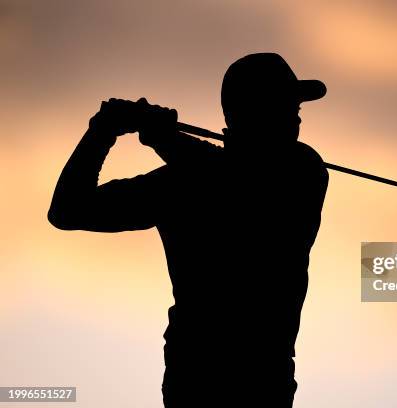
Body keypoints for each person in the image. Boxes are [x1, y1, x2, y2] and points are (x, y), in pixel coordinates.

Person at [48, 53, 329, 407]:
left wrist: (162, 139)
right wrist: (100, 133)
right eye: (284, 106)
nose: (295, 116)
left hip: (258, 377)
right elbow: (68, 211)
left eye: (295, 108)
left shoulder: (303, 168)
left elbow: (235, 183)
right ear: (251, 111)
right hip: (200, 378)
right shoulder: (181, 182)